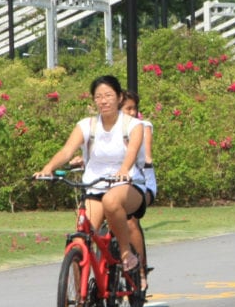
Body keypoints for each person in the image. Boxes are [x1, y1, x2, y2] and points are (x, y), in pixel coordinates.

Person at [36, 75, 146, 277]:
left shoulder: (133, 125)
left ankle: (125, 253)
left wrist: (123, 171)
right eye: (98, 97)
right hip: (95, 188)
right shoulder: (87, 125)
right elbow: (67, 151)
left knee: (111, 201)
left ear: (119, 97)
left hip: (127, 185)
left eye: (108, 95)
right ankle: (80, 303)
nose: (103, 101)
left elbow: (131, 153)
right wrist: (48, 168)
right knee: (79, 243)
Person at [121, 89, 156, 292]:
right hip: (114, 182)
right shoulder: (106, 129)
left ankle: (140, 270)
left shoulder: (142, 127)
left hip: (142, 178)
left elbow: (145, 154)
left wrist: (145, 161)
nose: (133, 112)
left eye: (135, 108)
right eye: (128, 108)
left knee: (130, 219)